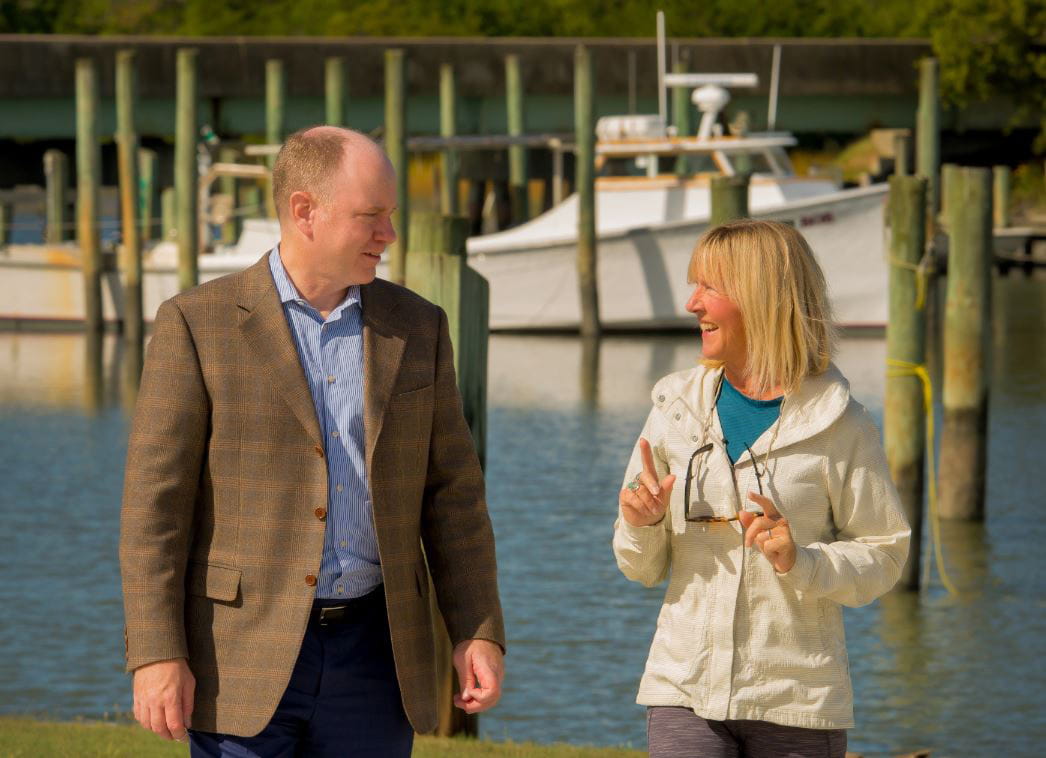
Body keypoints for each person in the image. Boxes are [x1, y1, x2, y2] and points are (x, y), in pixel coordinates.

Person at [120, 126, 506, 757]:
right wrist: (158, 651)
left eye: (390, 216)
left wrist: (477, 630)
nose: (389, 234)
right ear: (305, 211)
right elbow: (153, 509)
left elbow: (454, 497)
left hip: (377, 658)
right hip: (238, 653)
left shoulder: (419, 328)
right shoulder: (196, 324)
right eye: (371, 216)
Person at [613, 219, 910, 758]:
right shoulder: (674, 411)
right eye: (693, 285)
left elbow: (884, 555)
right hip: (683, 688)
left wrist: (800, 560)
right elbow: (641, 567)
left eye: (709, 288)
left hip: (797, 703)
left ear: (764, 297)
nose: (692, 304)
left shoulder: (842, 425)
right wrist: (642, 523)